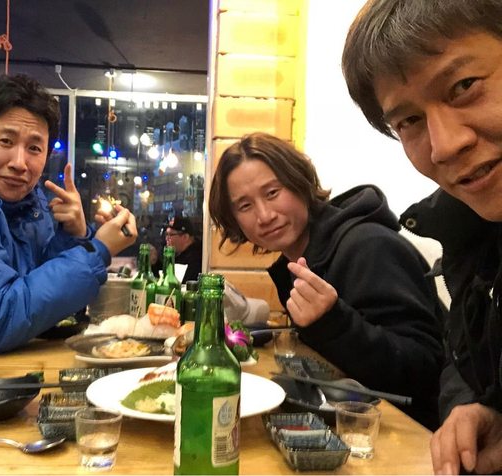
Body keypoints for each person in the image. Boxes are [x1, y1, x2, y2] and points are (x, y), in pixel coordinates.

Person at [341, 1, 502, 473]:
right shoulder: (473, 241)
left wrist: (331, 321)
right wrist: (486, 411)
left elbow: (417, 363)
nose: (445, 145)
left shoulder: (366, 244)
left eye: (464, 86)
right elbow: (463, 365)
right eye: (409, 121)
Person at [208, 131, 444, 429]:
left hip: (413, 436)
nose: (264, 215)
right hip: (347, 424)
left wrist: (333, 321)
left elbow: (426, 371)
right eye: (245, 206)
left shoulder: (369, 245)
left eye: (272, 193)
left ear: (300, 183)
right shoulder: (297, 262)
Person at [0, 74, 137, 380]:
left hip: (11, 375)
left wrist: (74, 236)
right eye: (6, 141)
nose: (20, 162)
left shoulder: (34, 204)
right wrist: (96, 250)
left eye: (34, 148)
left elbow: (34, 291)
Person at [165, 215, 202, 283]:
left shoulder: (195, 258)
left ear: (185, 237)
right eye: (166, 234)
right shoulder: (178, 254)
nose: (167, 238)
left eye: (170, 235)